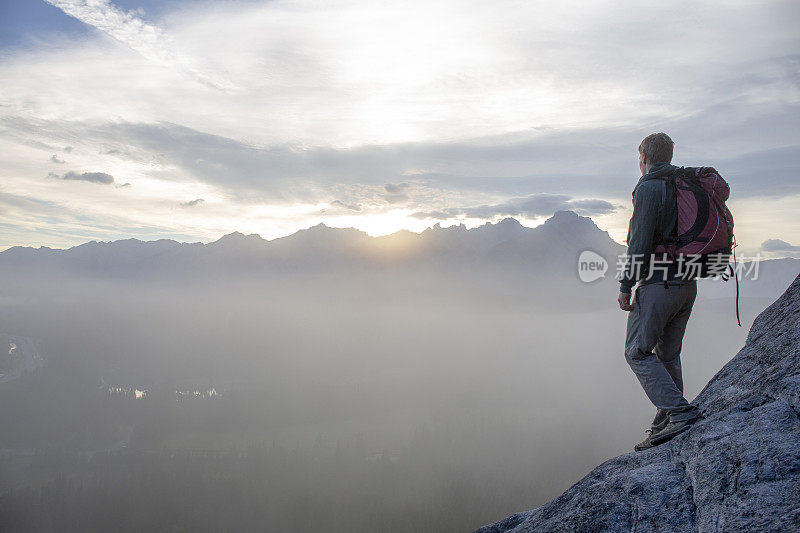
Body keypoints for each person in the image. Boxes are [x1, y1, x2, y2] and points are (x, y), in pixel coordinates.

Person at [617, 132, 703, 452]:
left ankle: (679, 412)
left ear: (644, 158)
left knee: (637, 352)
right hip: (688, 285)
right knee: (667, 353)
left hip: (660, 285)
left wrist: (626, 285)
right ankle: (665, 421)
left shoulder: (649, 187)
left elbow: (639, 243)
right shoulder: (686, 185)